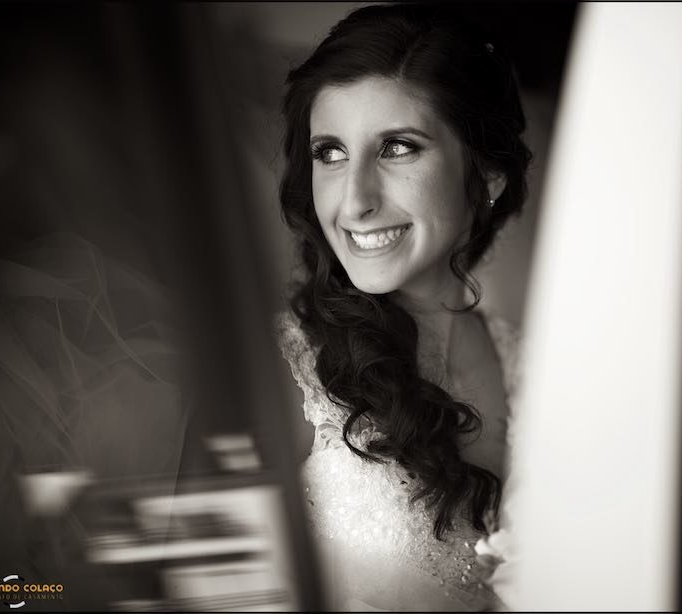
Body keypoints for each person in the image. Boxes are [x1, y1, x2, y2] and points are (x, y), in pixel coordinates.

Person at [273, 4, 532, 611]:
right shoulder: (279, 369)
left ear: (487, 172)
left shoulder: (536, 369)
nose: (355, 200)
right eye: (330, 153)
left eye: (396, 147)